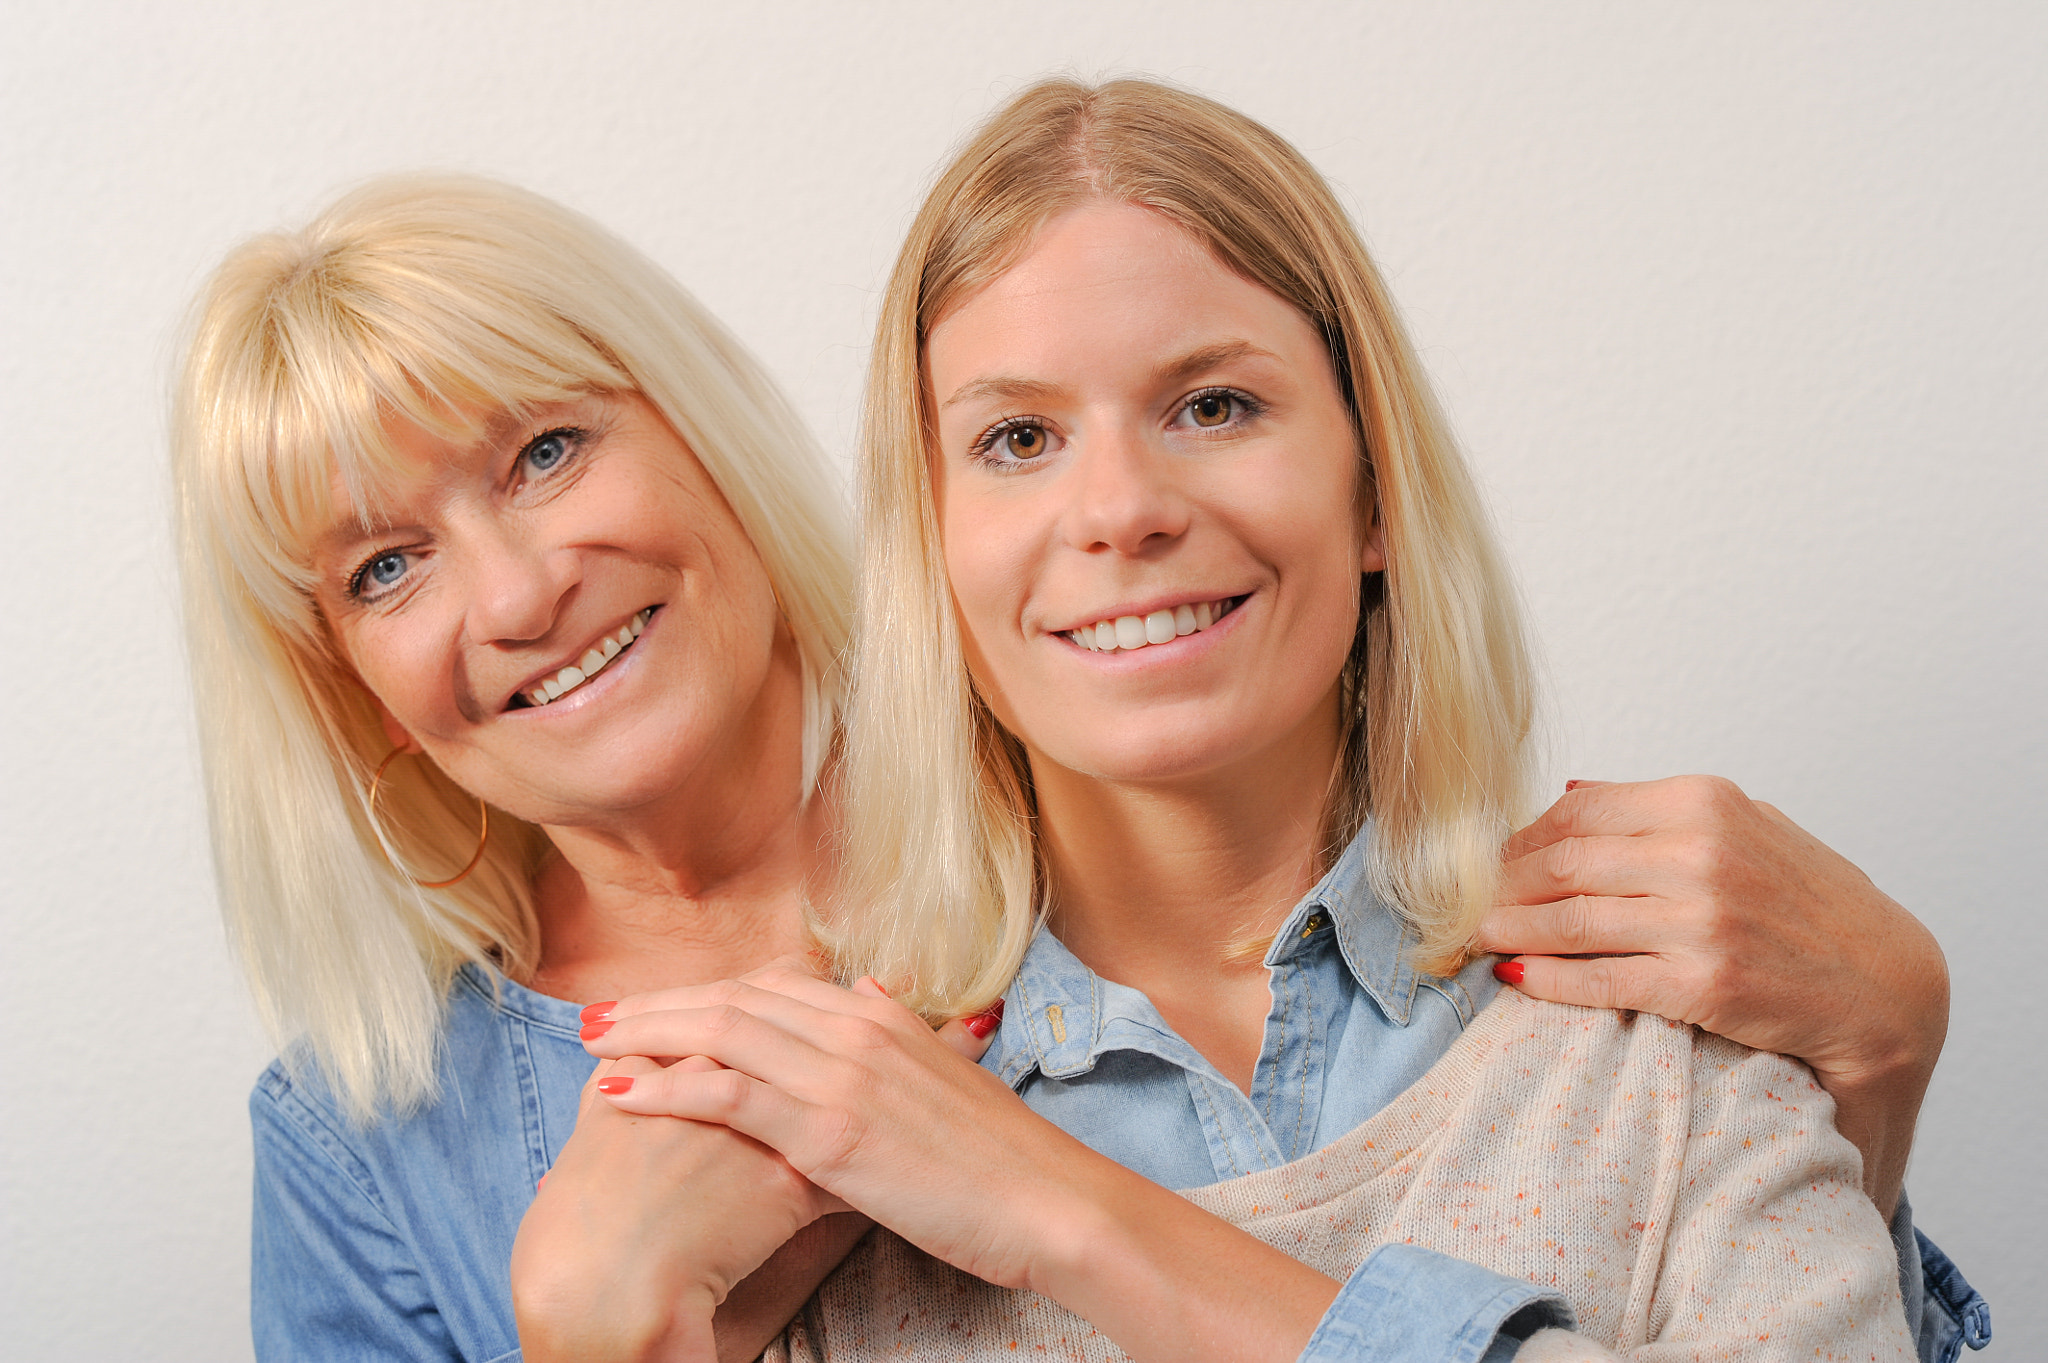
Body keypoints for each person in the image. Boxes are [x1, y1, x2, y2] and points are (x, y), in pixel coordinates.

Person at [573, 78, 1986, 1360]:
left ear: (1374, 491)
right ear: (931, 547)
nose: (1122, 508)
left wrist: (1064, 1209)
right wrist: (605, 1333)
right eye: (1018, 438)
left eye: (1214, 403)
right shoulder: (797, 1152)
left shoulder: (1672, 1051)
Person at [170, 173, 1006, 1362]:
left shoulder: (1088, 805)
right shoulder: (358, 1150)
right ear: (355, 693)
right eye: (386, 568)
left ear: (702, 433)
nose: (517, 595)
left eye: (545, 451)